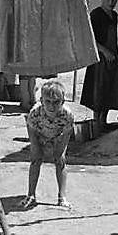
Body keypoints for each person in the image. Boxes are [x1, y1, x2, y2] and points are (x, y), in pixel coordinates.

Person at [20, 80, 74, 210]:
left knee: (60, 161)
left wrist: (59, 149)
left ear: (62, 102)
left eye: (56, 102)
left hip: (58, 135)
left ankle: (62, 197)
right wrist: (36, 147)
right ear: (41, 100)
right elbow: (32, 131)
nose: (51, 106)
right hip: (38, 133)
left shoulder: (67, 115)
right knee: (35, 159)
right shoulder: (34, 113)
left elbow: (67, 132)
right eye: (48, 101)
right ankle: (31, 195)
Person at [80, 0, 118, 136]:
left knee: (110, 89)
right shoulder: (96, 15)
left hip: (112, 59)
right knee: (98, 90)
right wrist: (105, 51)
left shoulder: (115, 16)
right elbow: (90, 39)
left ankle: (104, 121)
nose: (111, 2)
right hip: (100, 59)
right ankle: (96, 123)